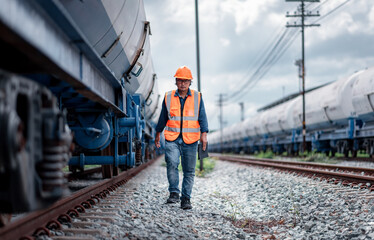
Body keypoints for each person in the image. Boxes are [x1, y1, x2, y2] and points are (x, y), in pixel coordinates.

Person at [155, 66, 208, 210]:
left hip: (190, 139)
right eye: (179, 80)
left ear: (190, 82)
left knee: (189, 170)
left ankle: (186, 198)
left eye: (185, 81)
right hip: (172, 137)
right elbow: (163, 117)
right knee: (171, 163)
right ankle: (174, 193)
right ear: (176, 82)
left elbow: (202, 117)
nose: (182, 84)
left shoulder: (198, 97)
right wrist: (158, 132)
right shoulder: (168, 96)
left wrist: (204, 134)